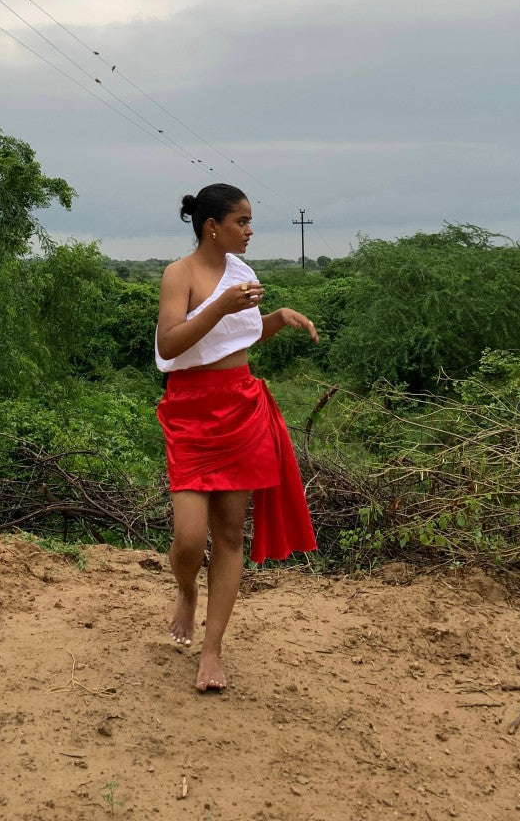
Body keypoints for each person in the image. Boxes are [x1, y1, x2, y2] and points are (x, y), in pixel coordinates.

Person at [155, 182, 318, 692]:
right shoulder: (178, 275)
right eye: (242, 222)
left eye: (249, 223)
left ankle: (212, 651)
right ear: (212, 226)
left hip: (241, 405)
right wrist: (221, 306)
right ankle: (186, 590)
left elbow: (235, 340)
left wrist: (275, 320)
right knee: (188, 537)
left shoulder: (242, 274)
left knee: (229, 534)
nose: (249, 232)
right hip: (190, 411)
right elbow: (170, 343)